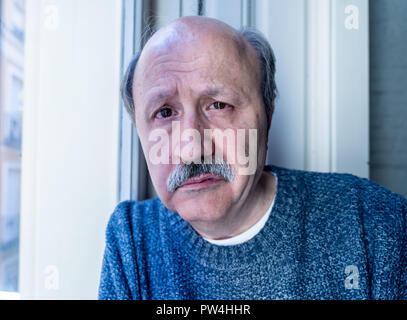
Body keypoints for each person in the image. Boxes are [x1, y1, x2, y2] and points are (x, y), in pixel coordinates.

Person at [98, 16, 407, 300]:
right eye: (164, 112)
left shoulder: (374, 222)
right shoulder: (132, 239)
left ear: (267, 117)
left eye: (219, 105)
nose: (191, 149)